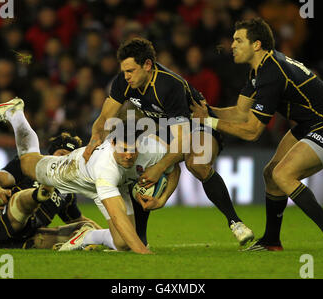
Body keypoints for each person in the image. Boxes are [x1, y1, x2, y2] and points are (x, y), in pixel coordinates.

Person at [190, 18, 323, 252]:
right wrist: (207, 111)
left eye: (238, 40)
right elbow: (240, 113)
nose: (232, 45)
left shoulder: (272, 73)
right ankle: (271, 241)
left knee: (283, 174)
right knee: (271, 174)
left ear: (256, 44)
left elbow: (251, 131)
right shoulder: (258, 71)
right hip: (311, 124)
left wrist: (207, 121)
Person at [82, 37, 254, 247]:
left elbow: (182, 141)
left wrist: (160, 167)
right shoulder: (123, 82)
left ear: (147, 65)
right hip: (165, 126)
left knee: (196, 163)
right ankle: (141, 239)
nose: (126, 76)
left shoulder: (168, 86)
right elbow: (104, 119)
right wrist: (93, 142)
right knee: (136, 159)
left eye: (131, 70)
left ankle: (235, 222)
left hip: (199, 124)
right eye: (124, 71)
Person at [0, 97, 180, 254]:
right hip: (73, 170)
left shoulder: (152, 149)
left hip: (115, 184)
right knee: (27, 162)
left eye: (133, 150)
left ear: (141, 143)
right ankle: (15, 113)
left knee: (121, 244)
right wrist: (143, 252)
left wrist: (162, 200)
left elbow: (173, 168)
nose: (129, 155)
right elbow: (116, 215)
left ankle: (86, 237)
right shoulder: (105, 166)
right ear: (113, 144)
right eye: (124, 149)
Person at [0, 131, 102, 249]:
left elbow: (78, 219)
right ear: (51, 153)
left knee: (86, 227)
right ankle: (39, 194)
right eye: (61, 154)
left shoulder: (68, 194)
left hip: (27, 238)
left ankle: (67, 245)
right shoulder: (28, 165)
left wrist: (108, 235)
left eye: (69, 158)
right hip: (2, 224)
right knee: (20, 199)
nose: (63, 160)